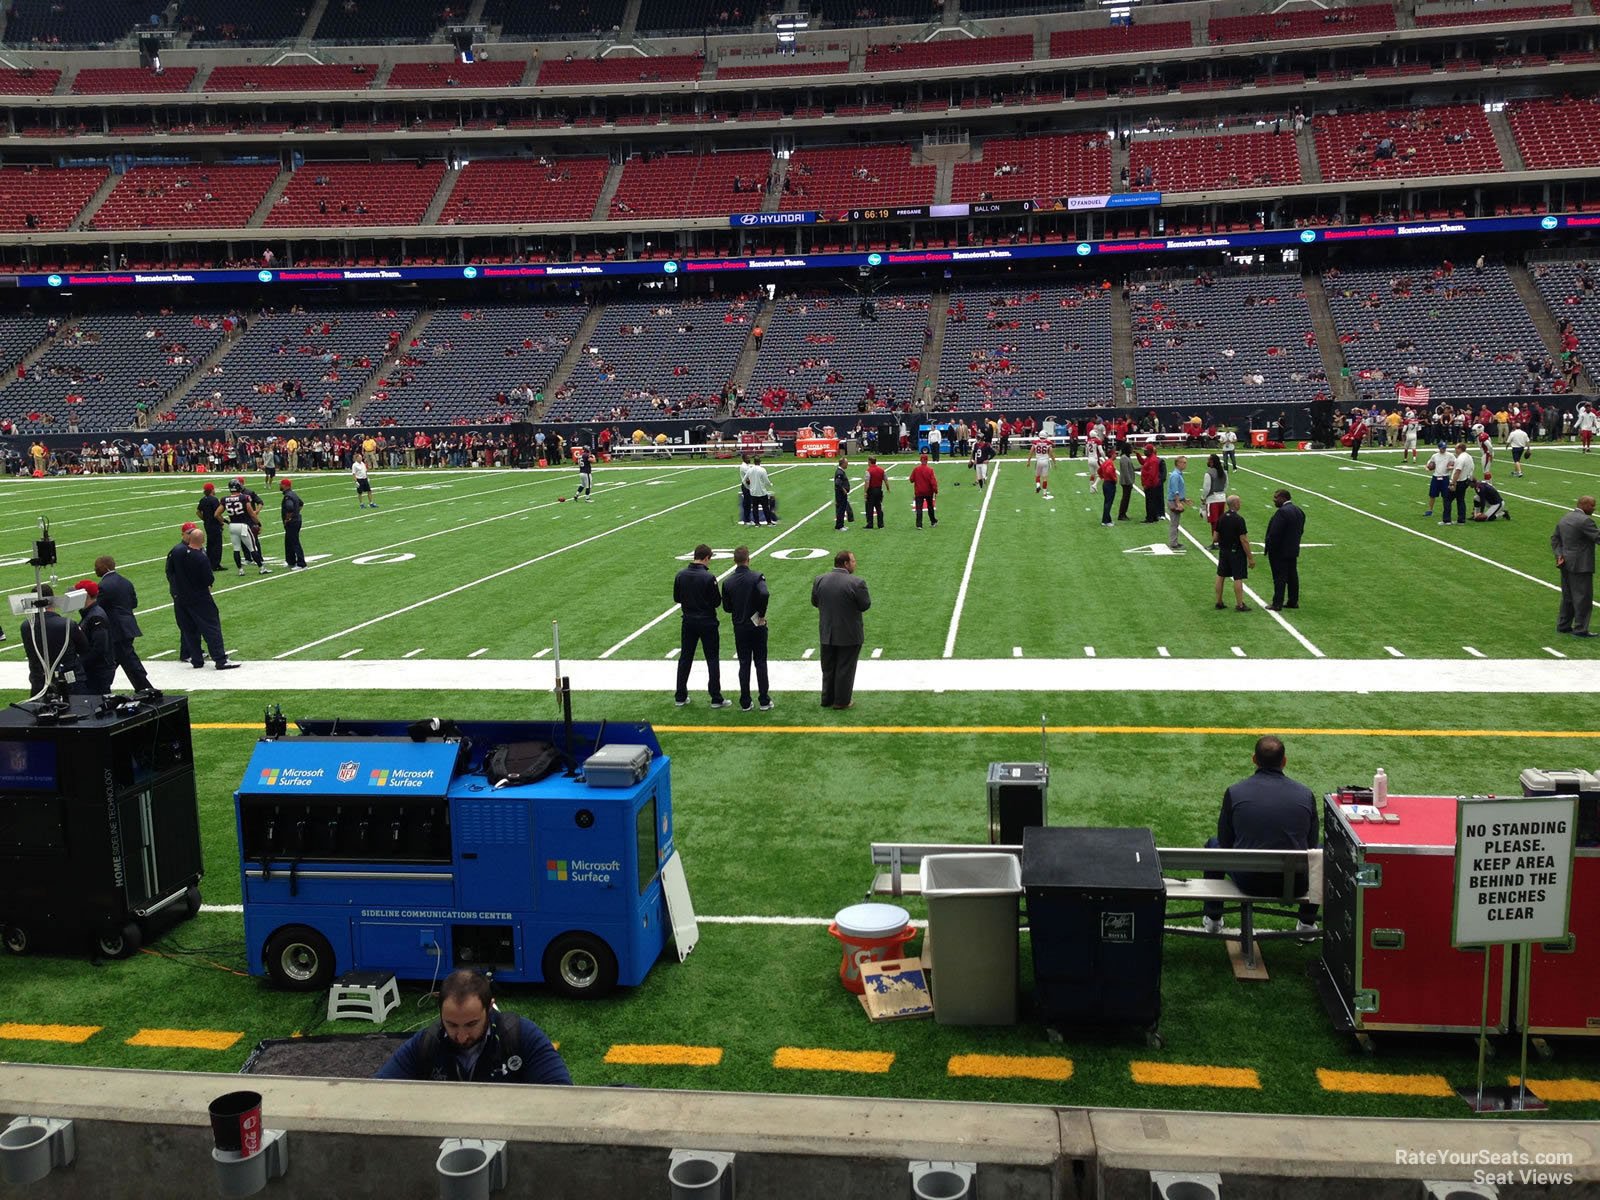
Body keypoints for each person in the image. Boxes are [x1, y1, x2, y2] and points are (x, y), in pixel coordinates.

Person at [1202, 735, 1319, 934]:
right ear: (1284, 761)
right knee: (1321, 853)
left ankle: (1213, 917)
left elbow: (1225, 841)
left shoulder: (1235, 792)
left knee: (1213, 845)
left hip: (1249, 881)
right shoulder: (1305, 794)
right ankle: (1307, 922)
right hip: (1295, 884)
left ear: (1254, 760)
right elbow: (1312, 843)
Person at [375, 969, 570, 1084]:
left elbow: (561, 1095)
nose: (461, 1036)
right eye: (451, 1024)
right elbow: (376, 1092)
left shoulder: (521, 1036)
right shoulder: (427, 1043)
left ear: (490, 1007)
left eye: (471, 1024)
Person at [166, 523, 238, 670]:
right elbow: (208, 579)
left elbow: (169, 572)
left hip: (180, 596)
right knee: (211, 628)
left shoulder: (176, 551)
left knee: (189, 629)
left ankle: (196, 659)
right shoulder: (200, 557)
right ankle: (220, 659)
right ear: (202, 540)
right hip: (199, 597)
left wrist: (176, 589)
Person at [672, 544, 730, 708]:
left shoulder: (681, 575)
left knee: (685, 657)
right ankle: (715, 697)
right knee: (712, 659)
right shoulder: (708, 577)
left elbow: (677, 598)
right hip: (707, 621)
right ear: (706, 558)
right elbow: (717, 602)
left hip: (688, 621)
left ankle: (680, 695)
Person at [812, 549, 870, 710]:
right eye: (853, 561)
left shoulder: (819, 579)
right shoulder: (857, 583)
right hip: (849, 633)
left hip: (826, 631)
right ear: (845, 563)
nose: (855, 563)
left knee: (828, 667)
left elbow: (815, 601)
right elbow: (865, 605)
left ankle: (827, 698)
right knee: (845, 667)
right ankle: (842, 701)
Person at [93, 555, 154, 692]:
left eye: (97, 567)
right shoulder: (126, 582)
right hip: (128, 626)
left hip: (116, 629)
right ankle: (100, 688)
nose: (95, 569)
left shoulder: (103, 586)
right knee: (117, 660)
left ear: (104, 567)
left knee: (126, 661)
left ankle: (145, 688)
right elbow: (134, 603)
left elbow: (98, 609)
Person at [721, 546, 771, 712]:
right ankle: (763, 700)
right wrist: (760, 614)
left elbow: (726, 608)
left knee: (744, 664)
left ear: (734, 561)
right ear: (748, 560)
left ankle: (745, 701)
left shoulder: (727, 582)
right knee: (760, 662)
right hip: (756, 624)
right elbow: (764, 594)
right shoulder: (756, 577)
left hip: (740, 626)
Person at [19, 584, 87, 696]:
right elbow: (84, 648)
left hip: (39, 680)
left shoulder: (26, 626)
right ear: (52, 600)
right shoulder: (67, 624)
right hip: (68, 679)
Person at [1552, 496, 1600, 637]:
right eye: (1592, 505)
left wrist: (1559, 555)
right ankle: (1580, 629)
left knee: (1568, 596)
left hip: (1565, 562)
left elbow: (1555, 539)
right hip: (1581, 564)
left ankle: (1563, 625)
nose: (1594, 508)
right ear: (1584, 505)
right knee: (1583, 597)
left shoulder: (1565, 517)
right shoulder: (1585, 521)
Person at [1264, 489, 1304, 611]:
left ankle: (1277, 603)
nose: (1274, 500)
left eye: (1276, 497)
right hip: (1292, 549)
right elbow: (1300, 531)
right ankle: (1293, 601)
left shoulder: (1282, 513)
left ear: (1283, 498)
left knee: (1279, 577)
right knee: (1292, 576)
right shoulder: (1299, 511)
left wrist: (1270, 547)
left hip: (1279, 552)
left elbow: (1275, 533)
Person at [1213, 494, 1254, 612]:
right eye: (1239, 502)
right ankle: (1240, 604)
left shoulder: (1222, 517)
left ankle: (1219, 601)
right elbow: (1244, 540)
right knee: (1238, 577)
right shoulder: (1239, 519)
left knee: (1221, 575)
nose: (1240, 504)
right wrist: (1250, 557)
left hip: (1224, 551)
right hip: (1236, 552)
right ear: (1235, 504)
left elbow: (1215, 537)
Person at [75, 579, 116, 693]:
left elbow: (99, 647)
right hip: (97, 668)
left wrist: (79, 662)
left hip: (98, 670)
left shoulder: (95, 617)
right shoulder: (92, 613)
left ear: (85, 596)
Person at [223, 479, 269, 576]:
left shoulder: (225, 499)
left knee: (236, 549)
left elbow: (217, 514)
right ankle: (261, 568)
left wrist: (227, 522)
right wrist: (259, 524)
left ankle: (240, 570)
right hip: (243, 525)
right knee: (252, 547)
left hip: (232, 526)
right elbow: (252, 514)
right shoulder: (244, 497)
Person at [196, 480, 225, 571]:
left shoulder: (203, 500)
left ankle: (209, 562)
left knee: (210, 543)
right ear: (212, 490)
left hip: (207, 524)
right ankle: (216, 564)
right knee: (217, 545)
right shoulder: (214, 500)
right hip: (214, 524)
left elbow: (198, 512)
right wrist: (221, 522)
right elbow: (217, 514)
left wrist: (204, 518)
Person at [279, 478, 307, 569]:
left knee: (294, 542)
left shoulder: (288, 496)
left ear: (285, 485)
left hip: (292, 522)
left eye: (281, 484)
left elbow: (290, 508)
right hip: (296, 520)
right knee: (288, 541)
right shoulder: (293, 494)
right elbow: (301, 503)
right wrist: (296, 512)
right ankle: (291, 561)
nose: (280, 486)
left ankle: (301, 563)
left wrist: (289, 518)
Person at [1201, 454, 1228, 546]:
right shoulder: (1224, 472)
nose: (1207, 462)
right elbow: (1225, 485)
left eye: (1208, 460)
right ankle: (1220, 541)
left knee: (1214, 522)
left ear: (1212, 462)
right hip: (1222, 498)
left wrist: (1203, 498)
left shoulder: (1209, 473)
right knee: (1220, 522)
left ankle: (1215, 542)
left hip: (1212, 499)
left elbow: (1206, 488)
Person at [1444, 442, 1474, 526]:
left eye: (1456, 448)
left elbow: (1458, 471)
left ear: (1460, 449)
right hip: (1466, 480)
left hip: (1459, 481)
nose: (1455, 450)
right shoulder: (1469, 457)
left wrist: (1453, 483)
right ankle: (1461, 520)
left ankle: (1447, 520)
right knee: (1460, 500)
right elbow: (1470, 468)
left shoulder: (1461, 458)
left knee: (1447, 499)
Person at [1423, 440, 1453, 518]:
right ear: (1439, 448)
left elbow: (1455, 463)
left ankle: (1445, 510)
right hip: (1436, 476)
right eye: (1442, 448)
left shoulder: (1450, 455)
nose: (1444, 449)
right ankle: (1430, 510)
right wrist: (1428, 467)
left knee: (1445, 495)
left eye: (1445, 448)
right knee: (1432, 495)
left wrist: (1451, 467)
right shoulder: (1435, 456)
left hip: (1445, 476)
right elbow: (1429, 463)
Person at [1165, 454, 1188, 550]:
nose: (1185, 464)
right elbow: (1175, 491)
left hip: (1175, 500)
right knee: (1174, 523)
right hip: (1173, 501)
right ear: (1178, 463)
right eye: (1184, 462)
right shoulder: (1175, 476)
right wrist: (1178, 503)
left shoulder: (1177, 474)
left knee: (1175, 523)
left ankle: (1174, 541)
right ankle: (1173, 543)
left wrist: (1184, 500)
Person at [910, 453, 938, 527]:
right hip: (928, 491)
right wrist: (935, 490)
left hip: (919, 491)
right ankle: (933, 521)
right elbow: (933, 482)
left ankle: (919, 524)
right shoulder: (930, 470)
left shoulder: (916, 469)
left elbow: (911, 480)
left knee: (919, 508)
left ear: (920, 460)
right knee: (930, 507)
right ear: (927, 460)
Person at [744, 456, 774, 526]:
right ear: (760, 462)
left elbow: (744, 480)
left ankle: (757, 523)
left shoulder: (750, 470)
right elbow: (766, 481)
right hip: (762, 492)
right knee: (765, 507)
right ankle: (769, 522)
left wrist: (749, 487)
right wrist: (770, 485)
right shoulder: (762, 470)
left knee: (755, 508)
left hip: (753, 492)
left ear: (754, 462)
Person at [863, 455, 888, 527]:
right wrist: (888, 488)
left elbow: (867, 482)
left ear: (870, 462)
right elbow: (886, 480)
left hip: (871, 491)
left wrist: (865, 492)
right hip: (879, 490)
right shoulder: (881, 470)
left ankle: (870, 523)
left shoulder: (868, 471)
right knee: (878, 507)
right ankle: (880, 524)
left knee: (869, 508)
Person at [1139, 445, 1163, 523]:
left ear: (1149, 451)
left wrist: (1146, 484)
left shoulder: (1152, 460)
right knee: (1152, 501)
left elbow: (1152, 474)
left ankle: (1150, 518)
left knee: (1150, 501)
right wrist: (1138, 455)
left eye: (1145, 450)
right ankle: (1154, 516)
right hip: (1151, 484)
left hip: (1151, 485)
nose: (1144, 452)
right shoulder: (1150, 458)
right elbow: (1143, 462)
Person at [833, 456, 854, 531]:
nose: (847, 465)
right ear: (843, 464)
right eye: (846, 463)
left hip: (841, 494)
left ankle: (841, 525)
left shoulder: (841, 471)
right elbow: (837, 483)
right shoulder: (839, 472)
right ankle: (839, 526)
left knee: (842, 509)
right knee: (840, 510)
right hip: (840, 495)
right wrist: (843, 490)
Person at [1031, 431, 1054, 499]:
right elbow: (1051, 453)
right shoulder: (1048, 443)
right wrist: (1054, 462)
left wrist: (1028, 461)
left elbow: (1031, 451)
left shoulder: (1035, 442)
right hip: (1045, 461)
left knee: (1037, 476)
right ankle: (1044, 493)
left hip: (1038, 461)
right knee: (1045, 478)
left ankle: (1038, 486)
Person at [1116, 445, 1136, 521]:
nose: (1132, 449)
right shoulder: (1124, 458)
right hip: (1126, 482)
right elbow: (1125, 472)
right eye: (1131, 448)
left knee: (1126, 498)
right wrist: (1129, 482)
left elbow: (1130, 468)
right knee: (1125, 498)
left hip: (1127, 481)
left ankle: (1123, 513)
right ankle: (1121, 514)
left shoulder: (1126, 457)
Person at [1096, 450, 1117, 526]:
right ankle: (1105, 521)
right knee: (1108, 503)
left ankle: (1107, 519)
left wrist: (1103, 477)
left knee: (1107, 502)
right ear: (1112, 454)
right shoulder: (1110, 463)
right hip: (1109, 484)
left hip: (1106, 483)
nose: (1116, 455)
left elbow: (1099, 471)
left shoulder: (1105, 462)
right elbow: (1109, 471)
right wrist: (1114, 479)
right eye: (1115, 454)